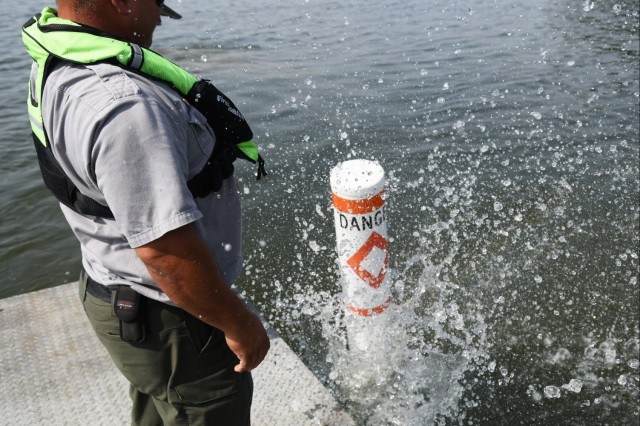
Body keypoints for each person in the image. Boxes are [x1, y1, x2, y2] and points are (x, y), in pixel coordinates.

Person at [21, 1, 270, 424]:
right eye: (156, 4)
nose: (159, 16)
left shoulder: (60, 58)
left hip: (117, 291)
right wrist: (238, 322)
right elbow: (164, 251)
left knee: (161, 408)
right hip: (173, 322)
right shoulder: (127, 106)